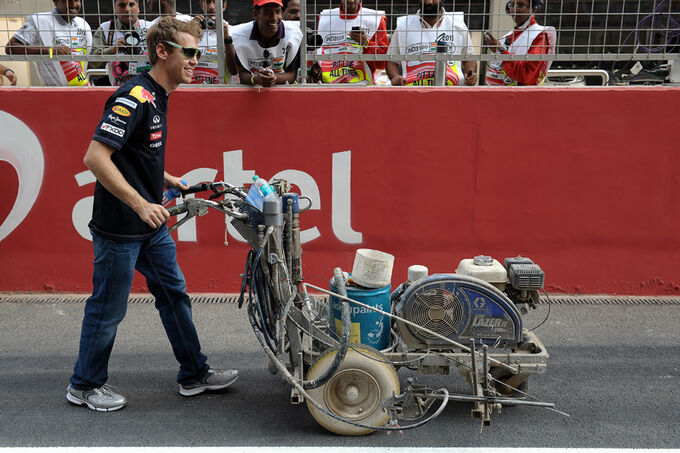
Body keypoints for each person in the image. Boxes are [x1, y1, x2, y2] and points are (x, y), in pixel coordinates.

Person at [67, 17, 238, 412]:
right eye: (190, 52)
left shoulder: (159, 95)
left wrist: (165, 177)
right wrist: (142, 204)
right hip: (121, 226)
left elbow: (132, 153)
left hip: (151, 224)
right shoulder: (135, 96)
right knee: (109, 308)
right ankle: (84, 384)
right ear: (163, 52)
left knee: (173, 294)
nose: (198, 60)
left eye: (199, 52)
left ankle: (194, 373)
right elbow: (96, 157)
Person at [386, 0, 477, 86]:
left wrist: (470, 75)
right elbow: (391, 61)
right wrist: (395, 77)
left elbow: (469, 58)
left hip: (451, 92)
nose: (429, 2)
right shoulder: (403, 26)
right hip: (413, 92)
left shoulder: (458, 25)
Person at [4, 0, 92, 86]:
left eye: (76, 0)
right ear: (55, 1)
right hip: (52, 91)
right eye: (67, 0)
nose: (73, 4)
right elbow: (10, 48)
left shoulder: (83, 24)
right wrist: (50, 50)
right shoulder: (39, 21)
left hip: (80, 89)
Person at [312, 0, 389, 84]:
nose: (351, 0)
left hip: (363, 85)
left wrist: (365, 43)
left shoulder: (375, 19)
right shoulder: (325, 18)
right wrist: (316, 67)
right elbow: (318, 53)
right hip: (328, 85)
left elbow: (383, 63)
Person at [484, 0, 557, 86]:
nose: (515, 9)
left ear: (532, 9)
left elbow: (526, 74)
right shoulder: (510, 34)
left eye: (521, 5)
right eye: (512, 5)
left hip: (521, 96)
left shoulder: (539, 35)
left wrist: (500, 50)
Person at [231, 0, 303, 87]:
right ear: (256, 14)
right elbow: (243, 74)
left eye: (277, 11)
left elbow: (292, 74)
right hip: (255, 94)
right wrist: (255, 79)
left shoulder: (293, 34)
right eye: (267, 12)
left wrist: (273, 78)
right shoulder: (239, 36)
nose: (274, 18)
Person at [91, 0, 151, 86]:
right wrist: (112, 50)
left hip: (146, 87)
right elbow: (93, 62)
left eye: (131, 4)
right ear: (115, 9)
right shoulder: (105, 29)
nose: (127, 9)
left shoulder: (150, 28)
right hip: (118, 88)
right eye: (122, 5)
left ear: (138, 8)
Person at [191, 0, 237, 84]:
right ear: (201, 4)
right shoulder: (194, 29)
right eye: (208, 2)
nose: (211, 7)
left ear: (224, 6)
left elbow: (234, 70)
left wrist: (226, 36)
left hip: (220, 89)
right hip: (194, 89)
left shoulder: (233, 32)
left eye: (215, 2)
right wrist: (191, 32)